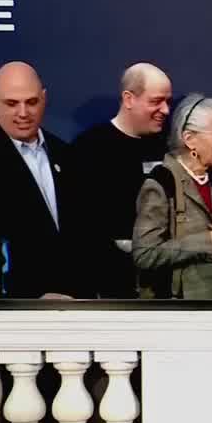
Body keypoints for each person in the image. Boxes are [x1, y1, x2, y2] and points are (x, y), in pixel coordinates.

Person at [0, 61, 97, 298]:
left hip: (75, 305)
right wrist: (29, 301)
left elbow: (83, 235)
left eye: (32, 102)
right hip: (15, 312)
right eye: (12, 103)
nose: (23, 113)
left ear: (44, 98)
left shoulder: (66, 154)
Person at [132, 94, 212, 299]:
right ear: (189, 139)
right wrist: (209, 239)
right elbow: (145, 254)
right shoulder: (161, 184)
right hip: (181, 314)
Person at [72, 62, 172, 297]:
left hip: (163, 281)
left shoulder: (167, 146)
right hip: (110, 286)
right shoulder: (89, 148)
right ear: (129, 99)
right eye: (156, 101)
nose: (166, 110)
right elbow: (81, 225)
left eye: (167, 101)